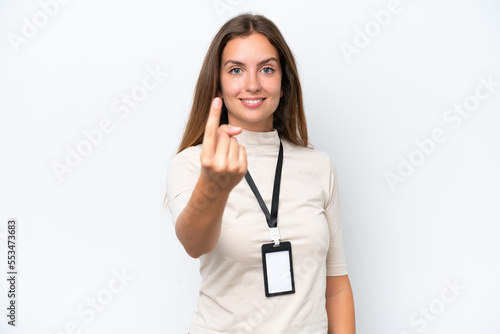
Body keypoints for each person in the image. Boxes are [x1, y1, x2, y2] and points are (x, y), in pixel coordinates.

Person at [165, 13, 355, 334]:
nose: (252, 84)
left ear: (284, 84)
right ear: (218, 84)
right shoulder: (191, 164)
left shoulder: (319, 166)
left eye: (267, 69)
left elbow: (335, 286)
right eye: (236, 70)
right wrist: (213, 187)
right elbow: (194, 243)